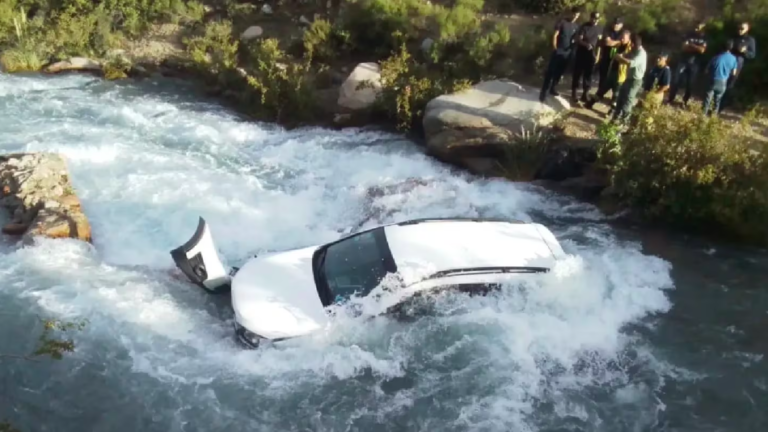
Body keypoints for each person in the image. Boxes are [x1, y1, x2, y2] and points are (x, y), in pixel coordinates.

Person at [539, 7, 581, 102]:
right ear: (570, 13)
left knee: (559, 72)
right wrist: (555, 48)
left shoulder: (576, 26)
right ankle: (543, 92)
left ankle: (552, 88)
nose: (575, 17)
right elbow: (555, 35)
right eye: (574, 14)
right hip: (558, 50)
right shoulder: (562, 22)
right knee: (550, 72)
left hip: (567, 53)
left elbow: (576, 39)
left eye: (577, 15)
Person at [584, 29, 631, 112]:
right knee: (602, 89)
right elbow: (611, 52)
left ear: (628, 39)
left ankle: (611, 111)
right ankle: (590, 103)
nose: (622, 39)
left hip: (621, 74)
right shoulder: (618, 44)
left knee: (616, 94)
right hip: (612, 70)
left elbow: (628, 61)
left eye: (624, 38)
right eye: (621, 37)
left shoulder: (630, 48)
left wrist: (620, 57)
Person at [719, 21, 756, 113]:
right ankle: (715, 103)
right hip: (726, 62)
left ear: (747, 29)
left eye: (742, 29)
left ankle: (721, 106)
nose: (739, 30)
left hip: (738, 64)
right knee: (720, 81)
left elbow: (752, 55)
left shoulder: (750, 40)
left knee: (730, 84)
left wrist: (744, 52)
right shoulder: (733, 37)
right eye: (738, 28)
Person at [668, 22, 707, 107]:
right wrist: (696, 48)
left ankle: (684, 101)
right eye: (696, 27)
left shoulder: (704, 38)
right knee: (675, 80)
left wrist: (691, 45)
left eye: (698, 28)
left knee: (690, 84)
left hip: (695, 63)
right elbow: (684, 47)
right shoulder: (688, 35)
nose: (696, 29)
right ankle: (671, 99)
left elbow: (702, 51)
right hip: (683, 61)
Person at [611, 33, 647, 123]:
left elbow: (631, 63)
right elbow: (623, 55)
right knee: (620, 98)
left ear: (634, 44)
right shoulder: (633, 51)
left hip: (635, 81)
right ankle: (615, 118)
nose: (630, 45)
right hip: (628, 78)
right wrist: (620, 56)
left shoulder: (641, 53)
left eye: (631, 43)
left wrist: (621, 58)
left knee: (628, 100)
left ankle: (624, 122)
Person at [571, 11, 603, 103]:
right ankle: (574, 92)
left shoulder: (600, 28)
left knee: (588, 75)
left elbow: (600, 43)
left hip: (592, 55)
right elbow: (578, 39)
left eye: (596, 19)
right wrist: (586, 44)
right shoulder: (584, 26)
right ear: (590, 18)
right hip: (581, 53)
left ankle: (585, 93)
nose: (595, 20)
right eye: (593, 18)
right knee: (577, 73)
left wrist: (598, 55)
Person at [703, 40, 739, 116]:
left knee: (707, 99)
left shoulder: (715, 57)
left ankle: (703, 115)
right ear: (731, 48)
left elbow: (706, 70)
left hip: (713, 79)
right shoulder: (733, 59)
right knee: (717, 100)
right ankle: (714, 116)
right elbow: (734, 73)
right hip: (723, 82)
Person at [596, 17, 625, 94]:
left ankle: (614, 95)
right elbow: (607, 42)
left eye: (617, 24)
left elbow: (621, 43)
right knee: (603, 75)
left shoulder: (623, 33)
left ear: (621, 25)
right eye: (614, 23)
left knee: (615, 77)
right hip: (606, 56)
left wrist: (614, 42)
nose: (615, 25)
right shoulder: (608, 30)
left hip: (617, 58)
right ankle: (599, 93)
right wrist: (617, 42)